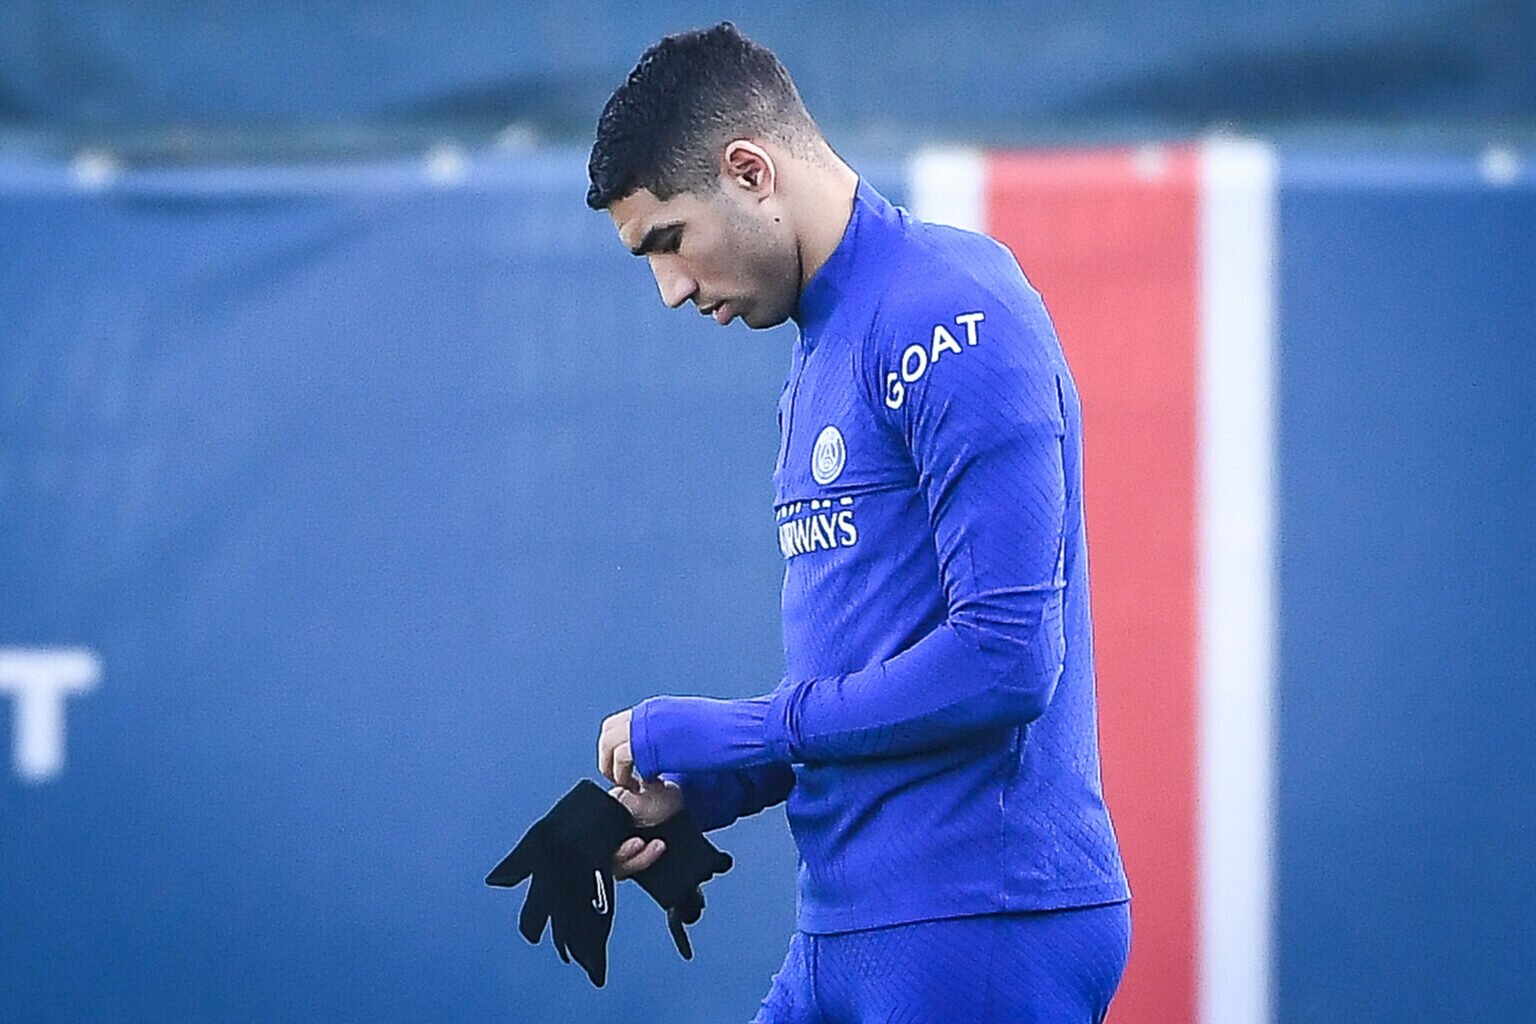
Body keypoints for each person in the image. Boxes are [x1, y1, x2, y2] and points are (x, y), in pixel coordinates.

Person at [587, 22, 1131, 1023]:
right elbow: (868, 676)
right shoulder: (820, 345)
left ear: (749, 171)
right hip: (849, 931)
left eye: (667, 241)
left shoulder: (952, 311)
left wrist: (737, 728)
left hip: (978, 928)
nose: (668, 288)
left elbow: (1007, 659)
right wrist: (705, 789)